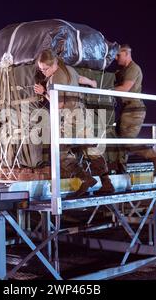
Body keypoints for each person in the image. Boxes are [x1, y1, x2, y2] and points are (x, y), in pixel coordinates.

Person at [34, 49, 115, 198]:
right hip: (84, 115)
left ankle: (86, 179)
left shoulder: (54, 79)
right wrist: (92, 82)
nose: (43, 72)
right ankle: (107, 183)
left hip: (72, 118)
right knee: (92, 149)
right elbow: (80, 78)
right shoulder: (68, 69)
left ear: (54, 64)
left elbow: (58, 105)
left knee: (60, 152)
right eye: (41, 69)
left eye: (45, 69)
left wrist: (43, 93)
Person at [114, 44, 156, 176]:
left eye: (118, 55)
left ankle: (154, 156)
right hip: (127, 109)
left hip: (133, 109)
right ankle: (120, 170)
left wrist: (103, 90)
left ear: (126, 54)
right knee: (118, 140)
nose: (115, 57)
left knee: (126, 141)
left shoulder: (133, 68)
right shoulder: (122, 71)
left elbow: (125, 88)